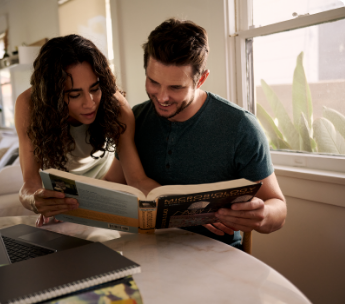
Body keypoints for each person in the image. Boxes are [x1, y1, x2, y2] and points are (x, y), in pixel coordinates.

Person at [104, 18, 287, 248]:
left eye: (176, 87)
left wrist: (263, 215)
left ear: (201, 79)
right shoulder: (136, 118)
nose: (161, 97)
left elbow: (278, 207)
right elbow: (112, 183)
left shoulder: (241, 127)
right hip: (145, 251)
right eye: (153, 82)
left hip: (216, 258)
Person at [15, 35, 159, 227]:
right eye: (75, 94)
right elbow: (29, 184)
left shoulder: (116, 107)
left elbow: (137, 180)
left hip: (106, 182)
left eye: (95, 88)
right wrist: (37, 200)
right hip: (61, 188)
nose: (90, 103)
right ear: (53, 94)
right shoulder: (29, 105)